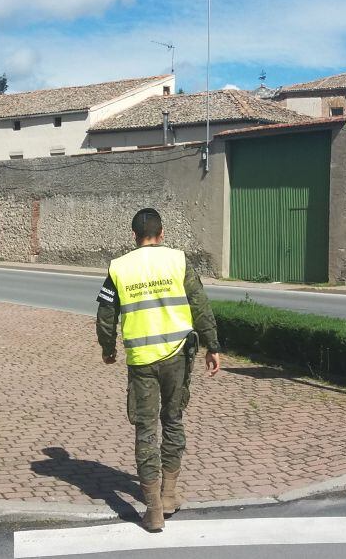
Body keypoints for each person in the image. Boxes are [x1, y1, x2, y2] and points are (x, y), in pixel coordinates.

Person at [96, 208, 221, 532]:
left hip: (141, 360)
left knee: (145, 430)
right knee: (174, 419)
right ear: (162, 233)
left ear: (134, 236)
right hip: (177, 356)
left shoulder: (119, 267)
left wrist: (108, 349)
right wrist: (213, 345)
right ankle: (168, 494)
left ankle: (153, 510)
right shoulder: (178, 261)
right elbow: (200, 304)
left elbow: (106, 315)